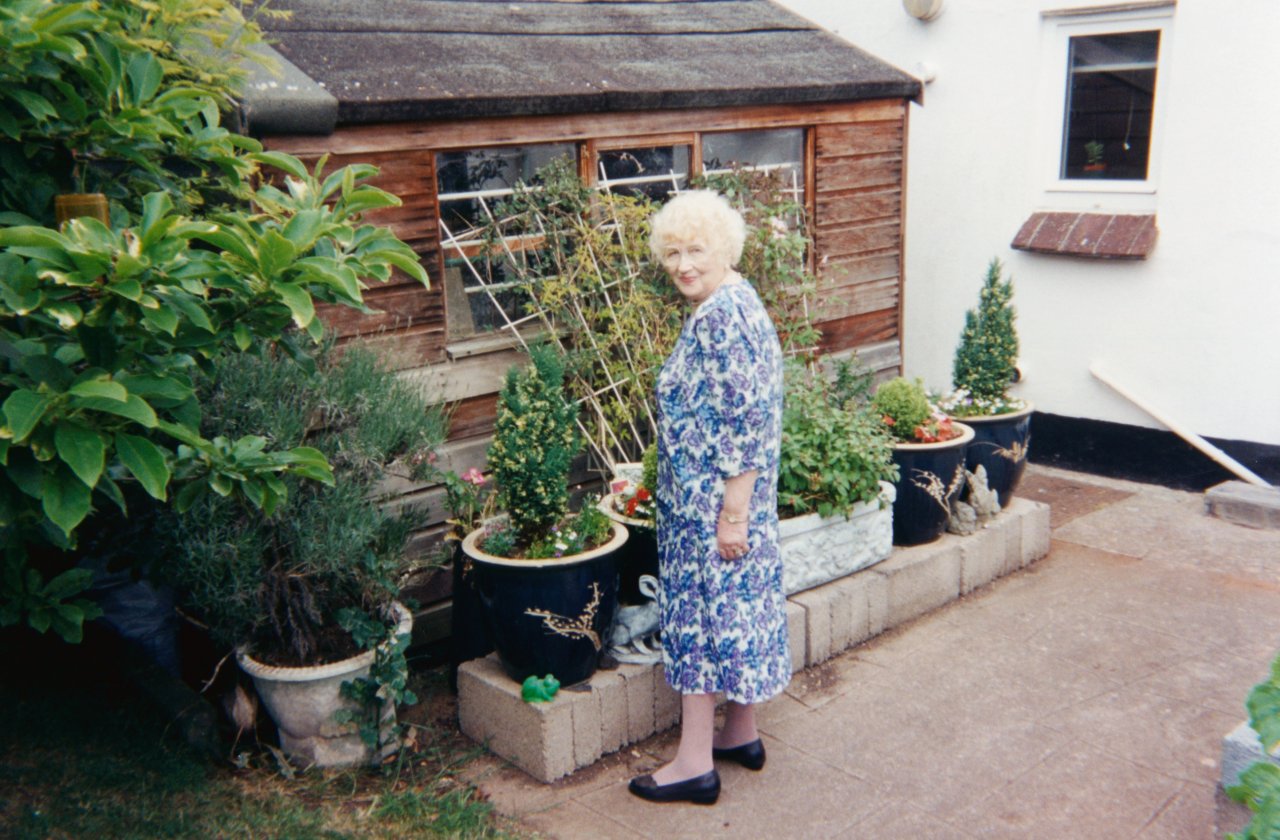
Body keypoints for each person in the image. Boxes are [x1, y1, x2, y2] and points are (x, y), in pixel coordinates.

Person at [628, 190, 789, 806]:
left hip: (712, 509)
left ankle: (694, 763)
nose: (682, 265)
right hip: (723, 502)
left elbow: (746, 424)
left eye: (696, 250)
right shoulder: (735, 300)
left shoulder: (722, 318)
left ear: (724, 249)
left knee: (700, 622)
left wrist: (732, 516)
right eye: (672, 253)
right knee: (739, 612)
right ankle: (740, 733)